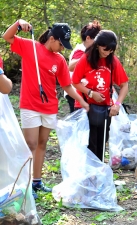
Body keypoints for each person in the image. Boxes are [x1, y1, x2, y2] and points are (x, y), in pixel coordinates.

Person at [3, 19, 89, 199]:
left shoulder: (59, 60)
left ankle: (37, 182)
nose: (62, 48)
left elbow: (67, 86)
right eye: (61, 43)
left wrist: (83, 100)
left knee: (42, 144)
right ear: (52, 38)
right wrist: (19, 23)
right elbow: (7, 37)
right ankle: (24, 184)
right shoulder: (30, 47)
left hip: (49, 107)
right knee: (30, 144)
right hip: (30, 105)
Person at [72, 30, 129, 161]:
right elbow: (74, 82)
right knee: (88, 143)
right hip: (85, 106)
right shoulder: (85, 59)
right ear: (97, 44)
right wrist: (91, 93)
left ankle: (98, 174)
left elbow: (124, 85)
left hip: (104, 109)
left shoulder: (112, 61)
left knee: (101, 144)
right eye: (105, 49)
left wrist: (117, 104)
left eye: (111, 51)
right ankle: (87, 175)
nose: (107, 53)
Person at [65, 20, 102, 113]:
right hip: (75, 93)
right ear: (88, 38)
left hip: (84, 92)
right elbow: (71, 66)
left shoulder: (89, 51)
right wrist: (87, 55)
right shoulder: (81, 50)